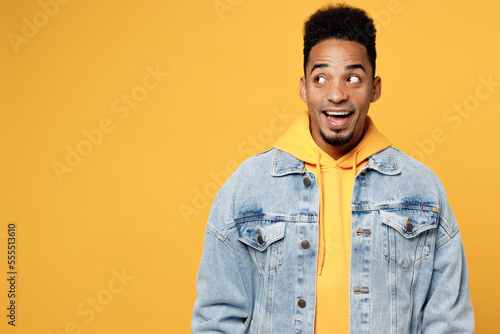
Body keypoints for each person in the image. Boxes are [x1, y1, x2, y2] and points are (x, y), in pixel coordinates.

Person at [191, 3, 474, 333]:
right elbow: (216, 317)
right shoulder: (249, 187)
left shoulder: (422, 189)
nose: (337, 94)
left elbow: (448, 322)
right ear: (303, 88)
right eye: (321, 78)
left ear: (375, 88)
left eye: (353, 78)